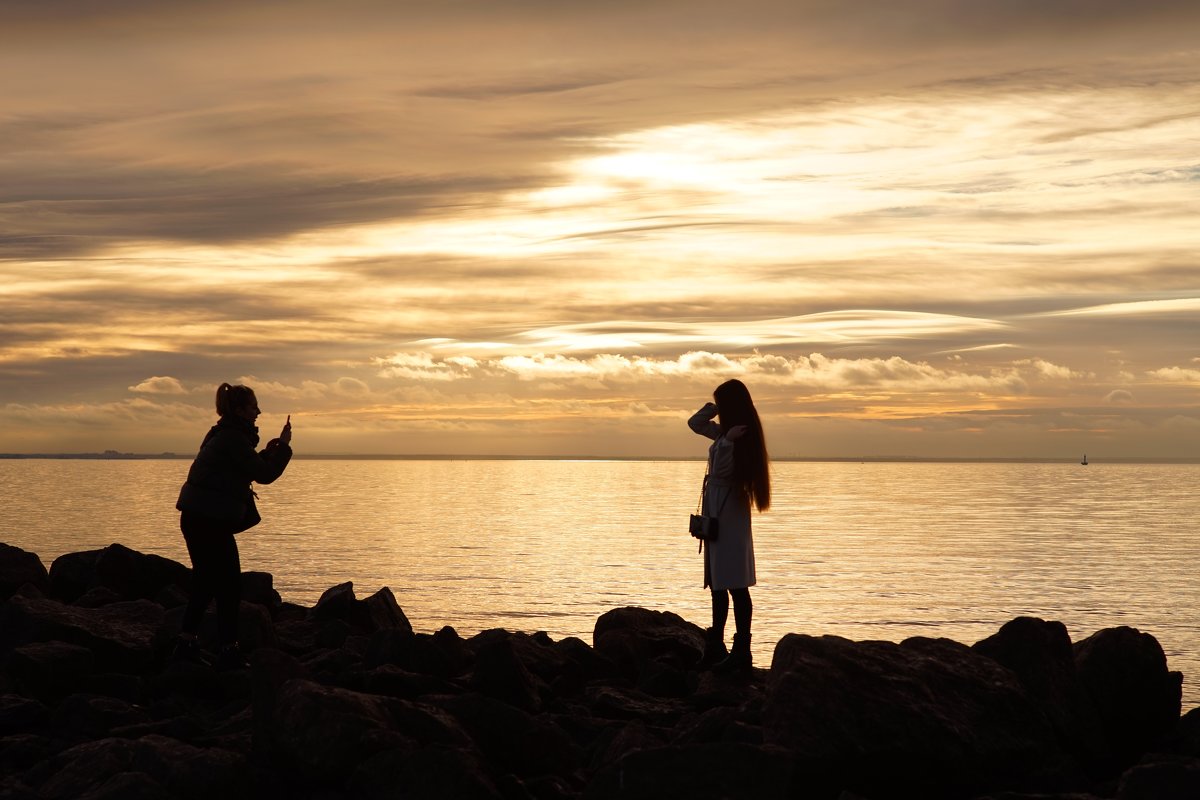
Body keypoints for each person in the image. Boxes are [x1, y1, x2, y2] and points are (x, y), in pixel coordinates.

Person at [173, 383, 292, 669]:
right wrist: (284, 447)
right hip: (208, 521)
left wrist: (266, 451)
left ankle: (187, 642)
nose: (258, 411)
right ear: (239, 410)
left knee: (206, 582)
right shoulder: (233, 439)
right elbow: (263, 474)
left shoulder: (224, 434)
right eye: (253, 407)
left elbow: (245, 467)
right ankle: (227, 650)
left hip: (199, 517)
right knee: (228, 586)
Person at [688, 379, 770, 672]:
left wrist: (727, 441)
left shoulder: (737, 438)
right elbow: (694, 423)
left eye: (722, 405)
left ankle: (741, 651)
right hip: (719, 509)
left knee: (734, 582)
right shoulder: (727, 433)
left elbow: (722, 468)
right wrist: (712, 408)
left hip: (728, 513)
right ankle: (716, 645)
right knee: (718, 583)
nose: (718, 412)